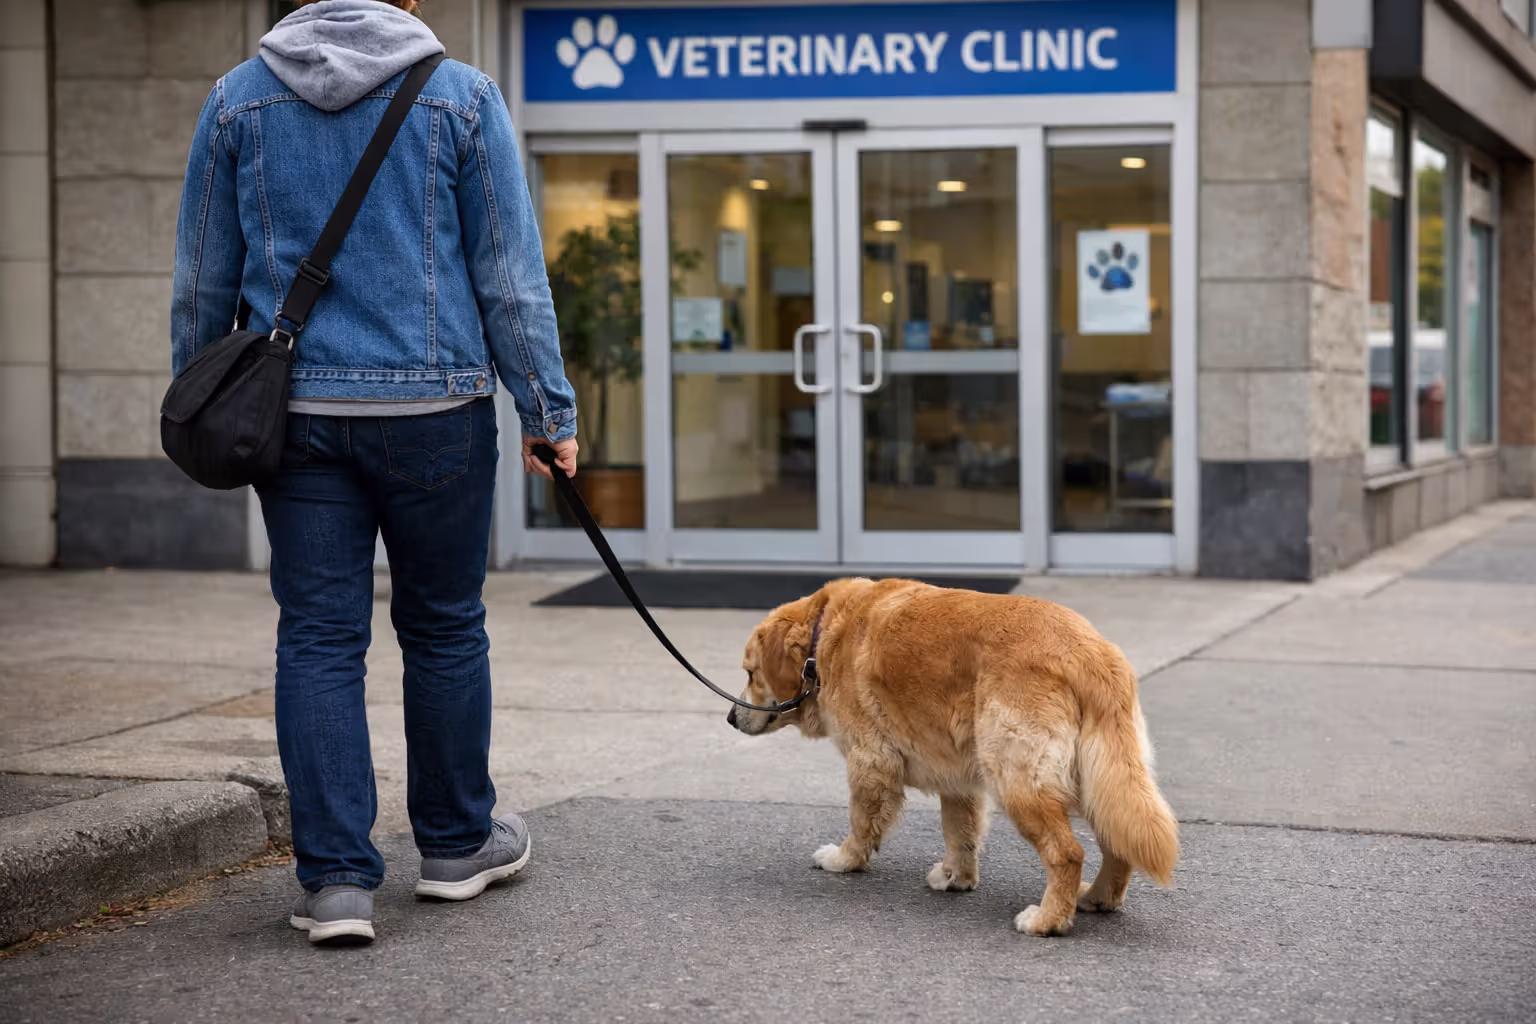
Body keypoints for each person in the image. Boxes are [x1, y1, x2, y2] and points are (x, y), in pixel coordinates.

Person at [170, 0, 578, 945]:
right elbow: (509, 275)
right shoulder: (462, 97)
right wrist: (546, 410)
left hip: (297, 417)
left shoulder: (237, 100)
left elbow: (201, 277)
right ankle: (456, 845)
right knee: (444, 626)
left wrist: (200, 400)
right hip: (437, 416)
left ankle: (336, 884)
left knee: (318, 638)